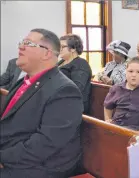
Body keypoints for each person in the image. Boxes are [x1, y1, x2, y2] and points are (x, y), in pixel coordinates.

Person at [0, 28, 82, 177]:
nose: (21, 46)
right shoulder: (22, 83)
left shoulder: (64, 90)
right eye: (21, 42)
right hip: (14, 153)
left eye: (28, 43)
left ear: (46, 53)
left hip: (40, 166)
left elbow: (46, 143)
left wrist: (3, 158)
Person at [103, 58, 139, 129]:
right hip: (118, 128)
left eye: (138, 72)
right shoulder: (116, 88)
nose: (134, 75)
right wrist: (107, 121)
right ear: (126, 72)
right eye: (130, 71)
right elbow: (107, 106)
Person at [58, 34, 92, 114]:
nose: (60, 49)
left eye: (62, 47)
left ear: (73, 48)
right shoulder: (61, 62)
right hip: (60, 102)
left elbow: (76, 88)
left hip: (73, 107)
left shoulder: (81, 64)